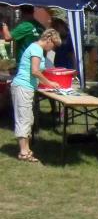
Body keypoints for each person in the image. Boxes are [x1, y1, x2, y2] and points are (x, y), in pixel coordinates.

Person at [10, 28, 62, 162]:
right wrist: (49, 83)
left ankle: (27, 149)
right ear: (48, 39)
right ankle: (23, 152)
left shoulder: (37, 49)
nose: (52, 49)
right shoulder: (37, 49)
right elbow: (35, 71)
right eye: (53, 45)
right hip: (22, 86)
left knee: (28, 119)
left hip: (27, 87)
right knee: (23, 119)